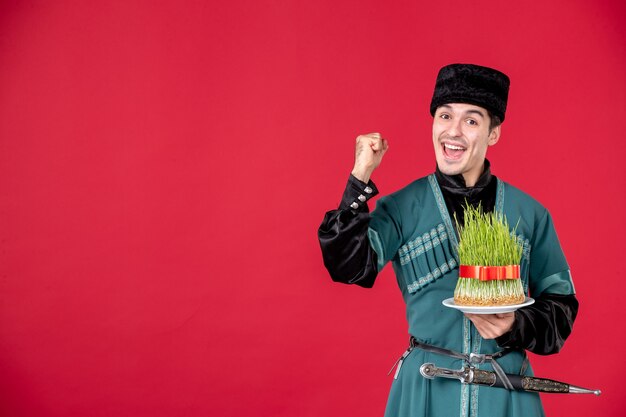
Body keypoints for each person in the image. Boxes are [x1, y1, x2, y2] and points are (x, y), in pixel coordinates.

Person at [318, 63, 578, 417]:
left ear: (493, 133)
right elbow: (348, 267)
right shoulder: (401, 207)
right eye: (444, 116)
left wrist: (515, 326)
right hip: (425, 388)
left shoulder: (529, 214)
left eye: (471, 121)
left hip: (506, 391)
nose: (453, 131)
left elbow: (561, 307)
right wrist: (359, 176)